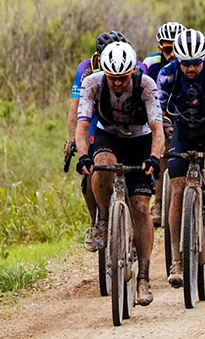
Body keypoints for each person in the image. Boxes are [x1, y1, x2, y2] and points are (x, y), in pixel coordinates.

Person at [75, 42, 164, 306]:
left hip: (140, 140)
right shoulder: (92, 83)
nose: (116, 83)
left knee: (140, 207)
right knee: (101, 164)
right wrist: (82, 155)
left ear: (132, 73)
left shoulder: (146, 85)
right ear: (104, 72)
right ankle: (103, 220)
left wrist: (154, 158)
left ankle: (144, 278)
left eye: (122, 78)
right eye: (112, 78)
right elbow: (82, 126)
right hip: (109, 135)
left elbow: (157, 129)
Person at [157, 29, 205, 287]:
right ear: (177, 60)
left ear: (204, 58)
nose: (191, 68)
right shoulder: (167, 74)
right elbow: (155, 113)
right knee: (178, 190)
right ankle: (177, 259)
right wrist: (160, 138)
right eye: (186, 63)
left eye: (196, 63)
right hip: (183, 129)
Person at [68, 31, 148, 249]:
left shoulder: (139, 68)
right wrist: (73, 139)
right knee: (91, 169)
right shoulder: (86, 69)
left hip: (130, 122)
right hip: (97, 115)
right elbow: (76, 108)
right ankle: (96, 223)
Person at [143, 22, 187, 227]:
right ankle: (159, 203)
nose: (172, 54)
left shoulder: (191, 62)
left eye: (175, 49)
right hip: (161, 111)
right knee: (160, 147)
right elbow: (148, 101)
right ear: (161, 48)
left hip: (188, 113)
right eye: (167, 49)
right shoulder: (151, 64)